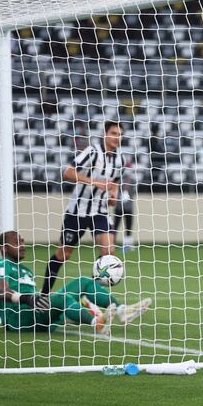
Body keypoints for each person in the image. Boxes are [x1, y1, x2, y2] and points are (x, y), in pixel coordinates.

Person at [0, 231, 150, 334]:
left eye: (22, 241)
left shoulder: (25, 269)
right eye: (17, 242)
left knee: (84, 282)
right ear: (4, 249)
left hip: (36, 312)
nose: (23, 246)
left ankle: (122, 310)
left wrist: (35, 298)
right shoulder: (1, 265)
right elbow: (1, 290)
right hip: (18, 318)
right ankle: (96, 322)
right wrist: (27, 298)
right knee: (61, 298)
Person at [41, 121, 125, 295]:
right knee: (64, 254)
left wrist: (113, 196)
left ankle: (91, 299)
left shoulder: (120, 160)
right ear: (105, 134)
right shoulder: (93, 152)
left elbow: (115, 182)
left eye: (119, 134)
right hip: (78, 210)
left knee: (108, 252)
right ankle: (43, 295)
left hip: (100, 211)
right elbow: (68, 172)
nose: (117, 137)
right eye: (114, 133)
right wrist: (96, 183)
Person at [113, 158, 136, 251]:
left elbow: (133, 192)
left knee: (128, 227)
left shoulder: (133, 181)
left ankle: (128, 245)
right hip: (119, 207)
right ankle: (111, 243)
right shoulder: (119, 180)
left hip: (129, 208)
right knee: (115, 227)